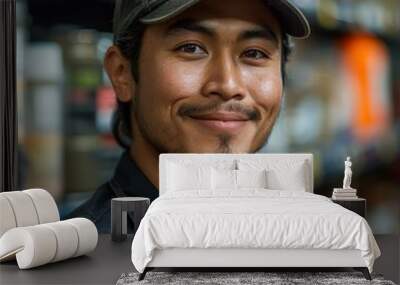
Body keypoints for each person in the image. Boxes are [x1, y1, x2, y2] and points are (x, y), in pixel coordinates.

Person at [66, 0, 311, 233]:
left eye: (255, 54)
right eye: (191, 48)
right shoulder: (78, 262)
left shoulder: (304, 240)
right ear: (122, 74)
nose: (227, 85)